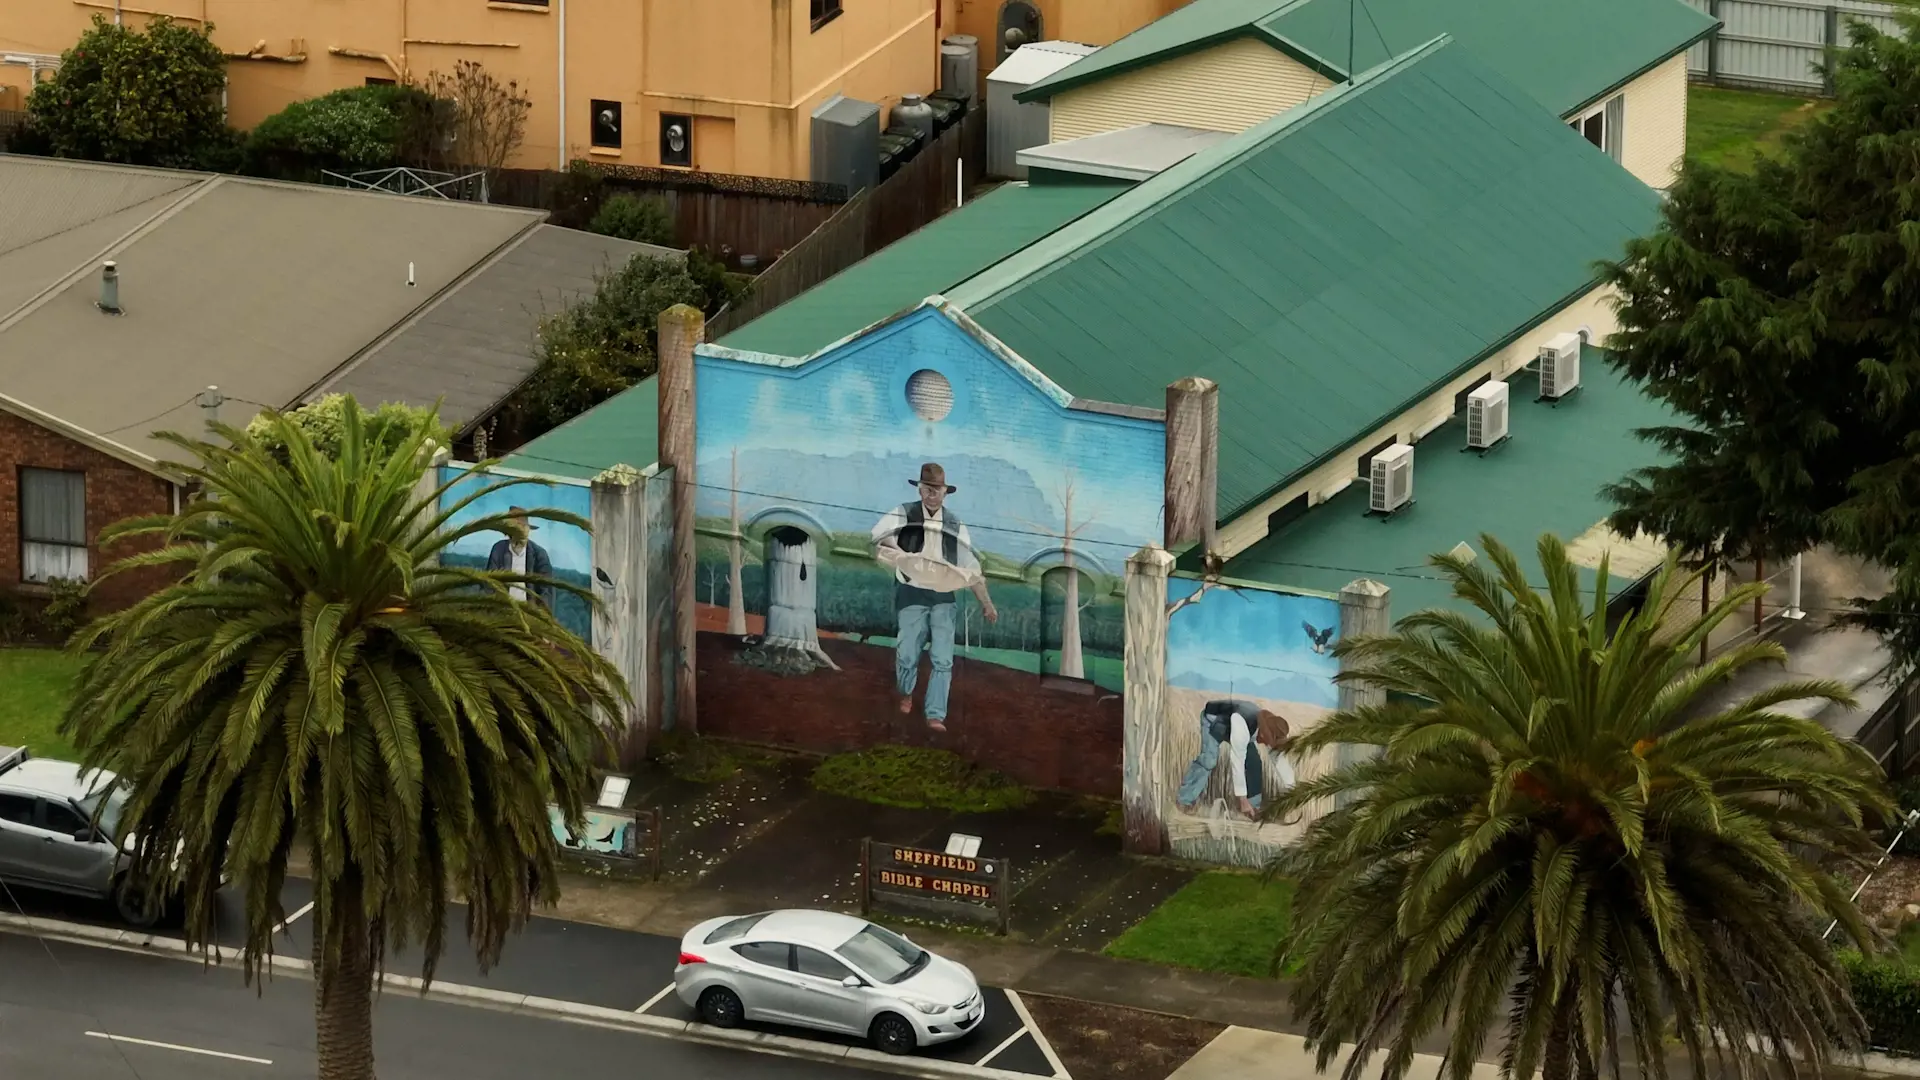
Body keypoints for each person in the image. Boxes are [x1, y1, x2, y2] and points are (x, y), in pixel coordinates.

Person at [870, 463, 998, 732]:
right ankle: (905, 692)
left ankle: (935, 715)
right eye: (927, 489)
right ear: (920, 488)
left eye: (937, 490)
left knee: (943, 658)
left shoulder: (955, 524)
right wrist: (901, 553)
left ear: (945, 492)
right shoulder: (904, 513)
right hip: (911, 591)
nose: (932, 494)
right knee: (907, 653)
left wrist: (986, 603)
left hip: (943, 595)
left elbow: (970, 567)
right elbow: (879, 537)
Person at [1176, 699, 1293, 820]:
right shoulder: (1242, 724)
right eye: (1268, 741)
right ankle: (1185, 800)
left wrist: (1293, 793)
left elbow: (1280, 761)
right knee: (1208, 760)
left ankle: (1254, 808)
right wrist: (1242, 799)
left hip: (1233, 728)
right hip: (1213, 722)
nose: (1267, 745)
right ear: (1263, 734)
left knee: (1254, 763)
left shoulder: (1267, 728)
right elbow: (1238, 762)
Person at [487, 506, 557, 611]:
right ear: (509, 533)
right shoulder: (498, 550)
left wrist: (540, 617)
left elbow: (546, 591)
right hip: (503, 611)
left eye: (525, 528)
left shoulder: (539, 554)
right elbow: (489, 585)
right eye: (518, 529)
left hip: (530, 613)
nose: (523, 533)